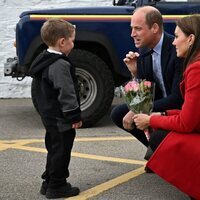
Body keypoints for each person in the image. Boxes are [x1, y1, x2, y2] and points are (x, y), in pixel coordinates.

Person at [133, 14, 200, 199]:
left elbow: (187, 122)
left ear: (191, 39)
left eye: (177, 37)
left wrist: (151, 119)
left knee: (159, 137)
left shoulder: (196, 68)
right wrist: (161, 114)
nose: (173, 42)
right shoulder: (194, 63)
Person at [110, 6, 183, 157]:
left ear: (154, 27)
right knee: (118, 113)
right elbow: (145, 93)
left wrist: (140, 111)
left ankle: (163, 150)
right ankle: (157, 151)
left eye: (137, 28)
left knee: (136, 115)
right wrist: (135, 73)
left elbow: (177, 98)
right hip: (159, 104)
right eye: (132, 28)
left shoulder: (176, 49)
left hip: (179, 109)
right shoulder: (144, 50)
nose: (132, 34)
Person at [29, 18, 82, 199]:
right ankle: (57, 186)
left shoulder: (44, 59)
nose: (73, 44)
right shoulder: (59, 65)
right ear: (62, 42)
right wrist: (74, 116)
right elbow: (66, 93)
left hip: (49, 116)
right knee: (61, 151)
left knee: (53, 148)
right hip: (61, 118)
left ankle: (48, 182)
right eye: (72, 40)